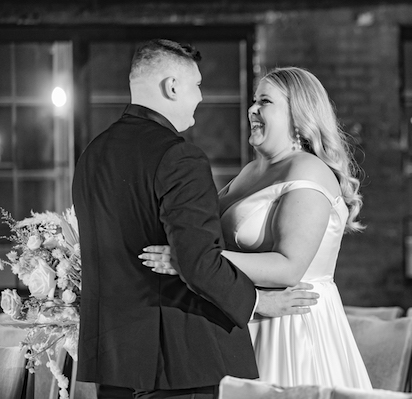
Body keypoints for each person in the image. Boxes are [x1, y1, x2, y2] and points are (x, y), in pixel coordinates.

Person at [72, 40, 319, 399]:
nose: (201, 98)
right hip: (184, 361)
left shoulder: (92, 155)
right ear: (172, 87)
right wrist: (258, 302)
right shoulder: (179, 156)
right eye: (197, 85)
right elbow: (198, 260)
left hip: (115, 364)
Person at [141, 66, 372, 389]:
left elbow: (289, 268)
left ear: (298, 113)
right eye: (253, 101)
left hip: (292, 331)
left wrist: (192, 260)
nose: (252, 110)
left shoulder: (308, 170)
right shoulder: (251, 171)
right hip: (250, 317)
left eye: (265, 101)